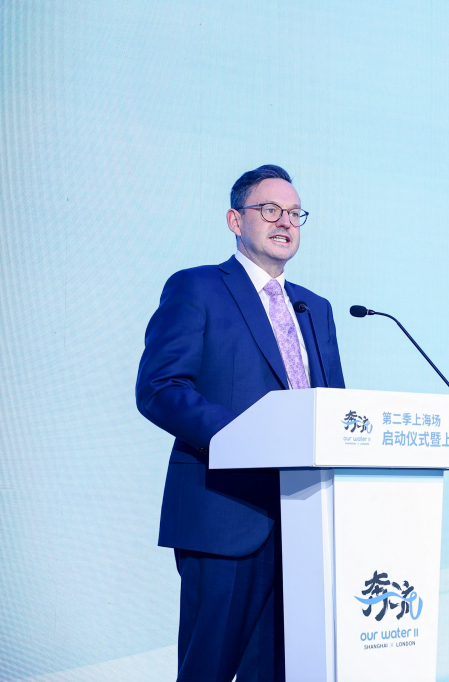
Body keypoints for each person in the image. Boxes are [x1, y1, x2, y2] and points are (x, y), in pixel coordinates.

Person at [136, 165, 345, 681]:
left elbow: (333, 411)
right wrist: (248, 438)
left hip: (303, 525)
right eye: (270, 210)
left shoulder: (314, 309)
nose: (285, 221)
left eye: (294, 213)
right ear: (235, 220)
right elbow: (160, 388)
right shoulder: (198, 287)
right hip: (224, 517)